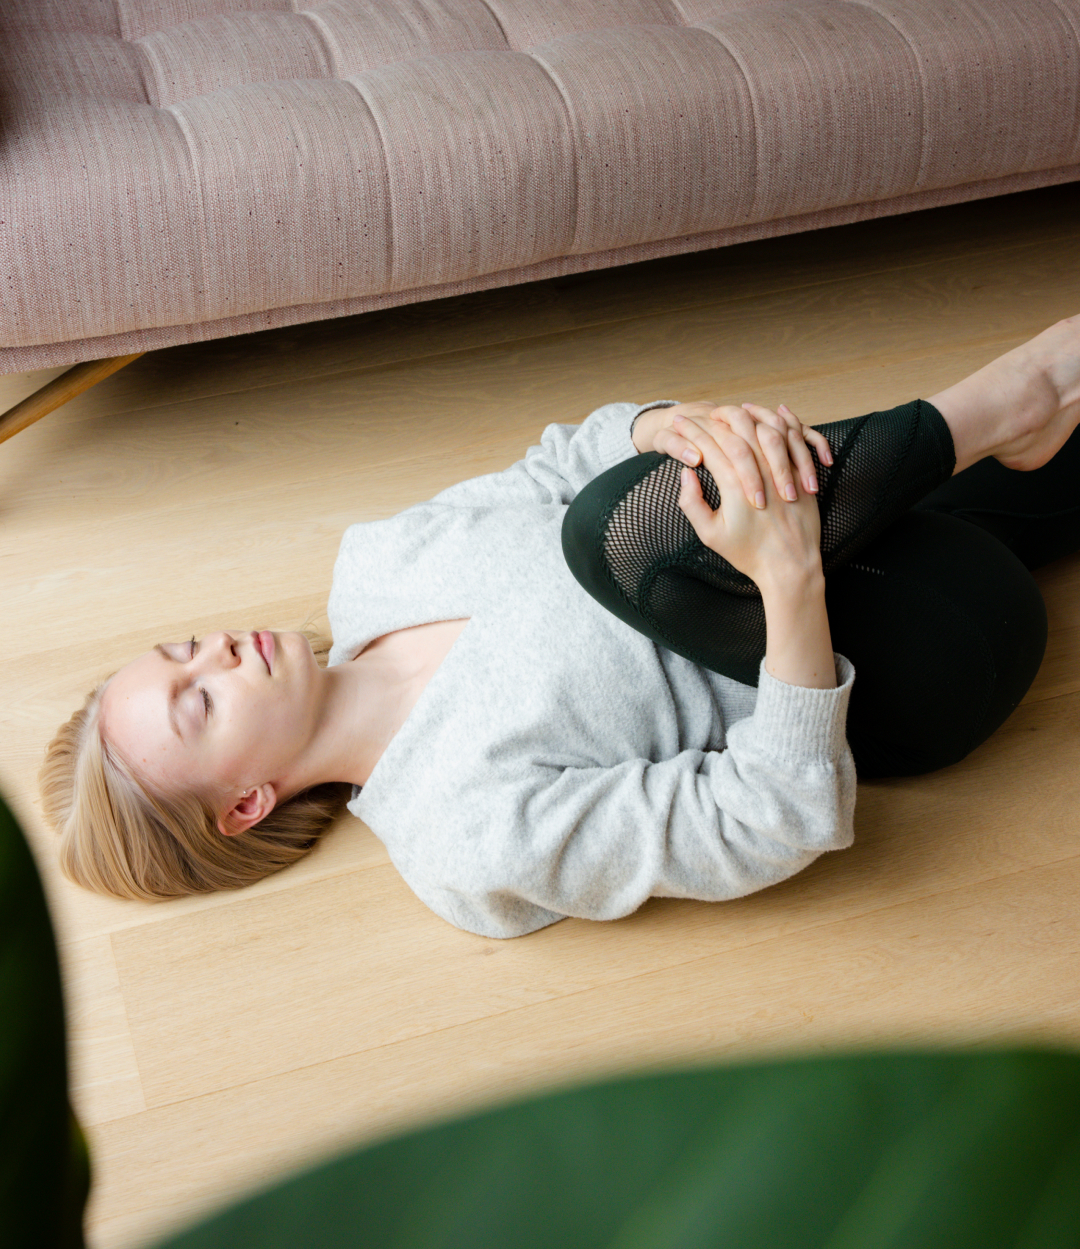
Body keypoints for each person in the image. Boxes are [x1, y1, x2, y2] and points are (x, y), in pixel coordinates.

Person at [39, 318, 1080, 937]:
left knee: (623, 498)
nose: (216, 653)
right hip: (918, 658)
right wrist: (788, 579)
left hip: (893, 525)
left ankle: (1012, 426)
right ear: (246, 805)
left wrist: (659, 429)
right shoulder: (457, 836)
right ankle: (1008, 395)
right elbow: (768, 817)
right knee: (610, 536)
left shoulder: (375, 565)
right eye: (199, 701)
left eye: (182, 650)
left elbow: (555, 463)